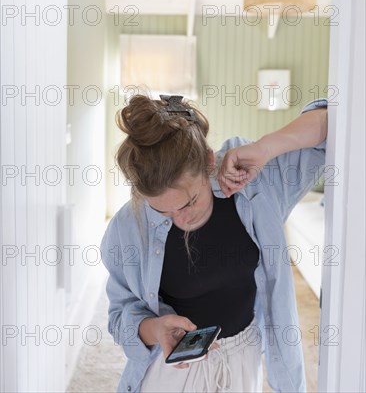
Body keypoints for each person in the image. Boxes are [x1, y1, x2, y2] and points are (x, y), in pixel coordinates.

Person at [100, 93, 328, 393]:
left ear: (209, 161)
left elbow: (334, 120)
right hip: (172, 371)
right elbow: (119, 315)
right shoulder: (127, 228)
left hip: (244, 359)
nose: (180, 220)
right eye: (161, 211)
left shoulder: (256, 186)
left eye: (189, 202)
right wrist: (155, 329)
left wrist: (264, 148)